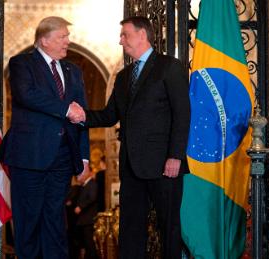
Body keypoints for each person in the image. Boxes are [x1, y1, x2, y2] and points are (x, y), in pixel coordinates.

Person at [71, 16, 190, 259]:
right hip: (131, 166)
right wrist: (82, 115)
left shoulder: (170, 66)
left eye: (125, 34)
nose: (120, 40)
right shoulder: (124, 76)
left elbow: (182, 114)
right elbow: (108, 115)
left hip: (164, 165)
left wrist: (175, 156)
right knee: (130, 229)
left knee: (169, 226)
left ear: (142, 35)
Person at [0, 16, 90, 259]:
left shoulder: (73, 70)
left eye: (67, 37)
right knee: (29, 221)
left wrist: (84, 158)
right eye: (62, 37)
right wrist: (65, 109)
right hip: (29, 156)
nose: (67, 42)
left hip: (62, 158)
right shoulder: (22, 64)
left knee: (56, 222)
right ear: (44, 40)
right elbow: (27, 95)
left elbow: (81, 116)